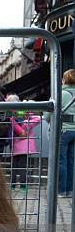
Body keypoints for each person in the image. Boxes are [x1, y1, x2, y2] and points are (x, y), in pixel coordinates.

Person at [7, 94, 40, 192]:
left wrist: (24, 124)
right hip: (21, 145)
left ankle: (13, 186)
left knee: (15, 166)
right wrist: (26, 124)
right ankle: (22, 186)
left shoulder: (15, 114)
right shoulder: (20, 113)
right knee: (22, 166)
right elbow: (37, 119)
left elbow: (35, 118)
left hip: (17, 144)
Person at [53, 69, 75, 197]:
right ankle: (71, 190)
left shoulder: (61, 93)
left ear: (64, 79)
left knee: (62, 160)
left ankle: (61, 191)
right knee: (72, 161)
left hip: (64, 130)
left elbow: (47, 114)